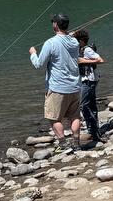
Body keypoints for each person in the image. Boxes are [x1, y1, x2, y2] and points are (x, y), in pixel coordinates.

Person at [29, 13, 81, 150]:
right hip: (75, 86)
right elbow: (67, 41)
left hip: (58, 87)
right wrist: (68, 35)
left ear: (55, 25)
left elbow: (39, 64)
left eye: (53, 22)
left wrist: (33, 53)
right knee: (74, 117)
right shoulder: (75, 42)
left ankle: (63, 145)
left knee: (53, 118)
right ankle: (76, 144)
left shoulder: (50, 43)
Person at [72, 29, 104, 148]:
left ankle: (93, 131)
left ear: (81, 41)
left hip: (89, 80)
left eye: (76, 40)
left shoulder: (87, 50)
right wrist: (73, 34)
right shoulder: (80, 49)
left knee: (84, 105)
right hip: (87, 80)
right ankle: (94, 131)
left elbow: (100, 60)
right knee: (91, 105)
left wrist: (83, 60)